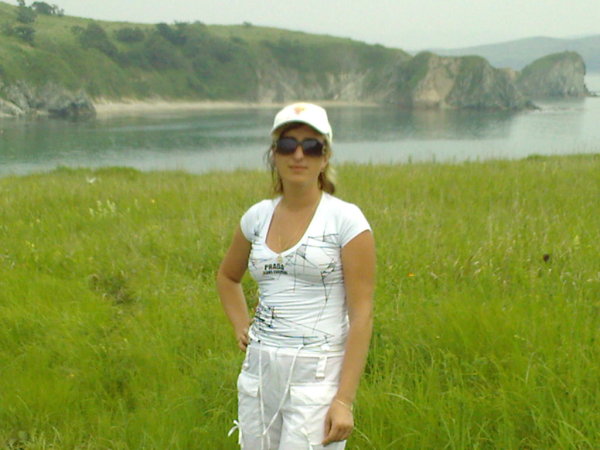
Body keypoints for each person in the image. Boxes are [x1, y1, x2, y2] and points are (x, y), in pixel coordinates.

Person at [217, 102, 375, 449]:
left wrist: (343, 400)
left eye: (311, 146)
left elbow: (361, 315)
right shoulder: (257, 217)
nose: (299, 155)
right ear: (274, 154)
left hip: (317, 376)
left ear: (325, 156)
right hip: (259, 371)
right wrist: (240, 324)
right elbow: (228, 277)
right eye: (288, 145)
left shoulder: (346, 221)